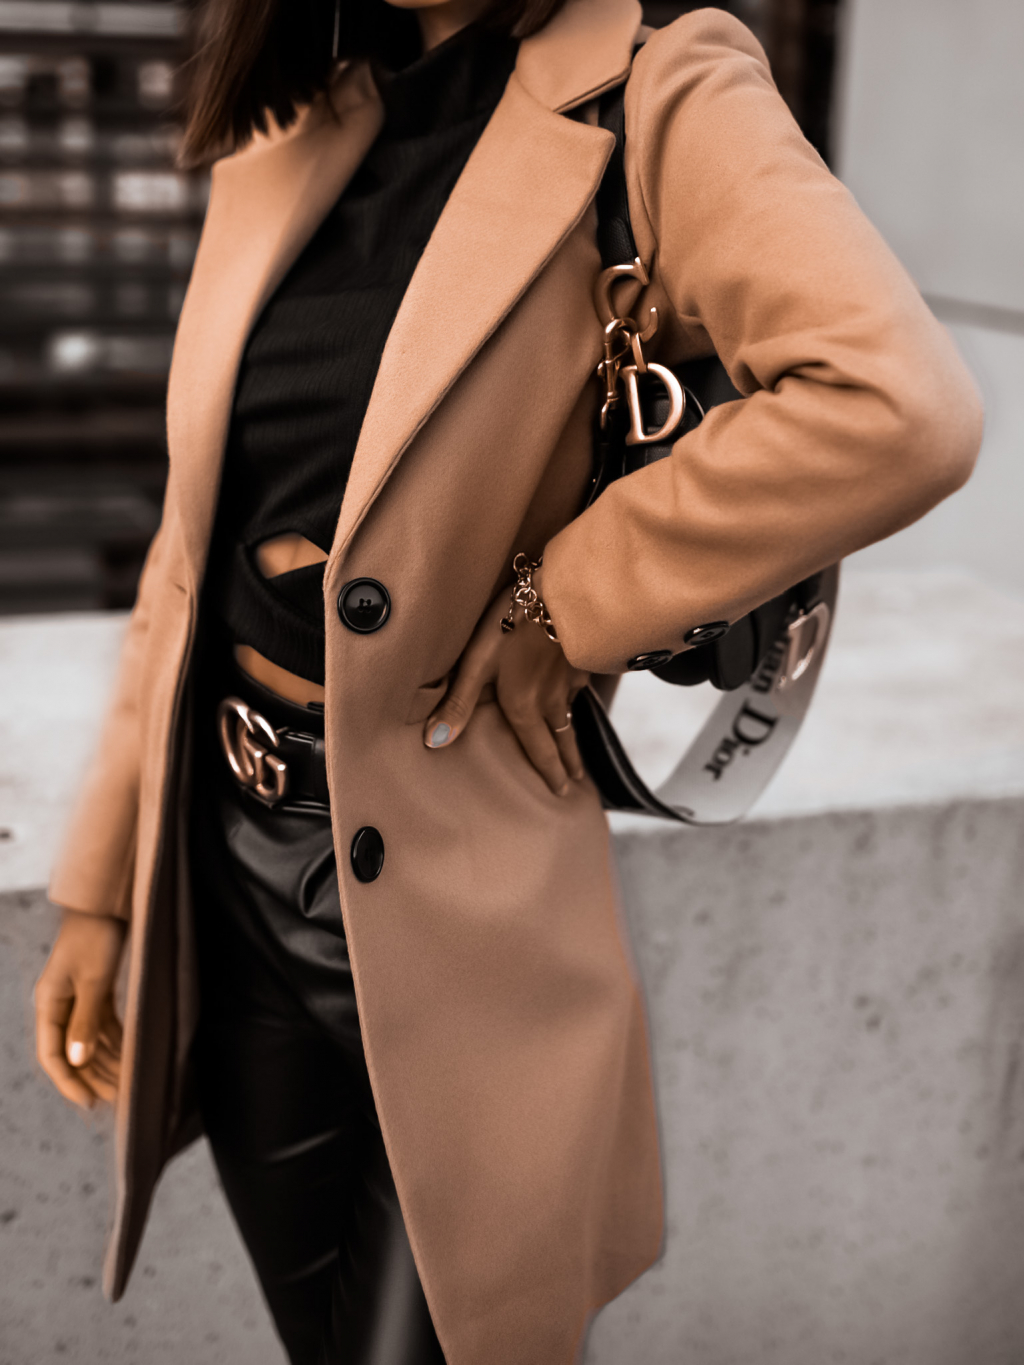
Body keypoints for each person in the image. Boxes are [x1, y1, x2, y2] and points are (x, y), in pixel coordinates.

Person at [32, 0, 983, 1359]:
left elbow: (896, 405)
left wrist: (567, 600)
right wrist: (100, 889)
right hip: (227, 874)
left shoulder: (660, 96)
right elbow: (187, 559)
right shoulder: (295, 123)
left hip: (458, 903)